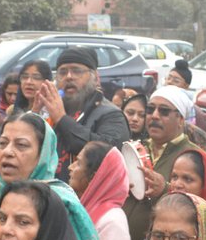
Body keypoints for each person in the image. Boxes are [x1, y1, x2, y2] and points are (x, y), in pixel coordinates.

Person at [27, 45, 130, 179]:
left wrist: (61, 119)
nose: (69, 77)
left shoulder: (111, 114)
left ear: (96, 77)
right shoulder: (51, 110)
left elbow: (107, 155)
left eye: (77, 71)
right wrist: (34, 114)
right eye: (63, 72)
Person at [121, 87, 197, 240]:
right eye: (150, 109)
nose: (154, 116)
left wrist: (165, 189)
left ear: (180, 119)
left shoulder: (195, 157)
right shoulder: (136, 148)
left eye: (163, 111)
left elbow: (200, 205)